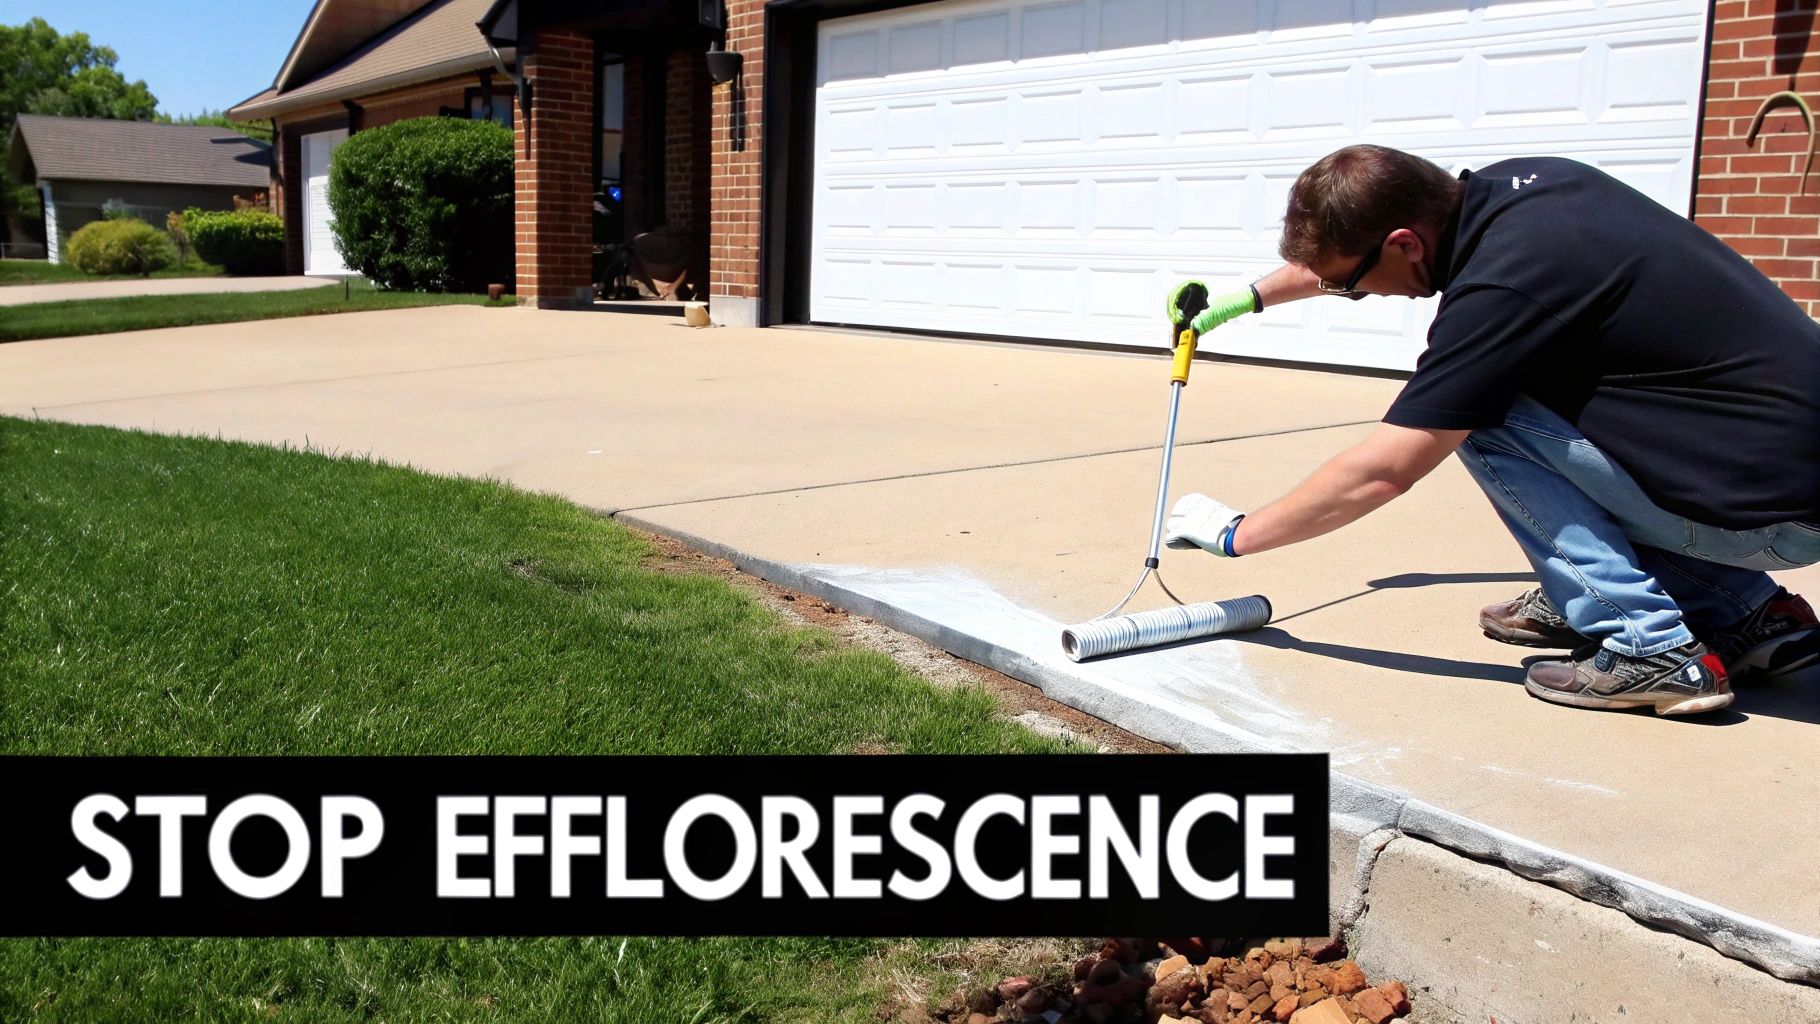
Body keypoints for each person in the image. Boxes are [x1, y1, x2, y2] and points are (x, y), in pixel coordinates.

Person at [1162, 144, 1820, 716]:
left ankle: (1645, 647)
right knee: (1511, 385)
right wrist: (1239, 303)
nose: (1353, 294)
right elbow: (1343, 255)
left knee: (1475, 415)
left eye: (1350, 287)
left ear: (1405, 246)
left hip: (1773, 519)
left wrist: (1236, 534)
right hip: (1778, 470)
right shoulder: (1534, 186)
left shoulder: (1500, 288)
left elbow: (1383, 471)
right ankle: (1746, 611)